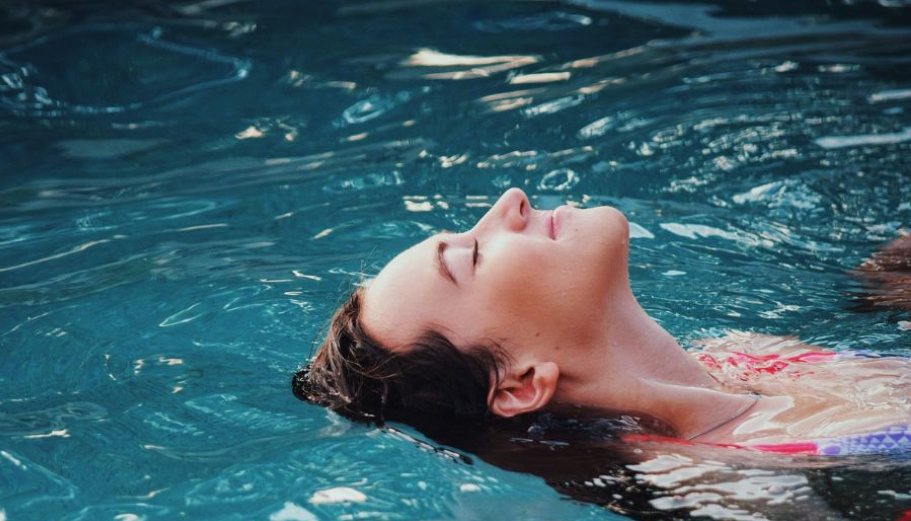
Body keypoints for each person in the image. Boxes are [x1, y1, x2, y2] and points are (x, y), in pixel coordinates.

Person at [294, 188, 911, 454]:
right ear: (518, 385)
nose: (510, 201)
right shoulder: (721, 472)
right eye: (473, 256)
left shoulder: (740, 353)